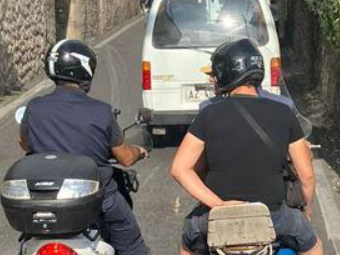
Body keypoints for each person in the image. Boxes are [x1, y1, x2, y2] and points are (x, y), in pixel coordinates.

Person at [171, 38, 323, 255]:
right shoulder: (284, 113)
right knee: (313, 246)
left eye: (215, 74)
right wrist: (307, 212)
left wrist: (219, 205)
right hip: (273, 215)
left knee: (188, 241)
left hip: (218, 217)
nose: (213, 80)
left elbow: (179, 168)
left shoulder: (208, 115)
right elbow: (306, 176)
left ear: (226, 74)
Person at [19, 39, 149, 255]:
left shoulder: (34, 107)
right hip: (97, 196)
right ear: (85, 70)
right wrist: (139, 150)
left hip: (47, 199)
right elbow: (125, 157)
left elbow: (24, 142)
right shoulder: (101, 111)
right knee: (131, 243)